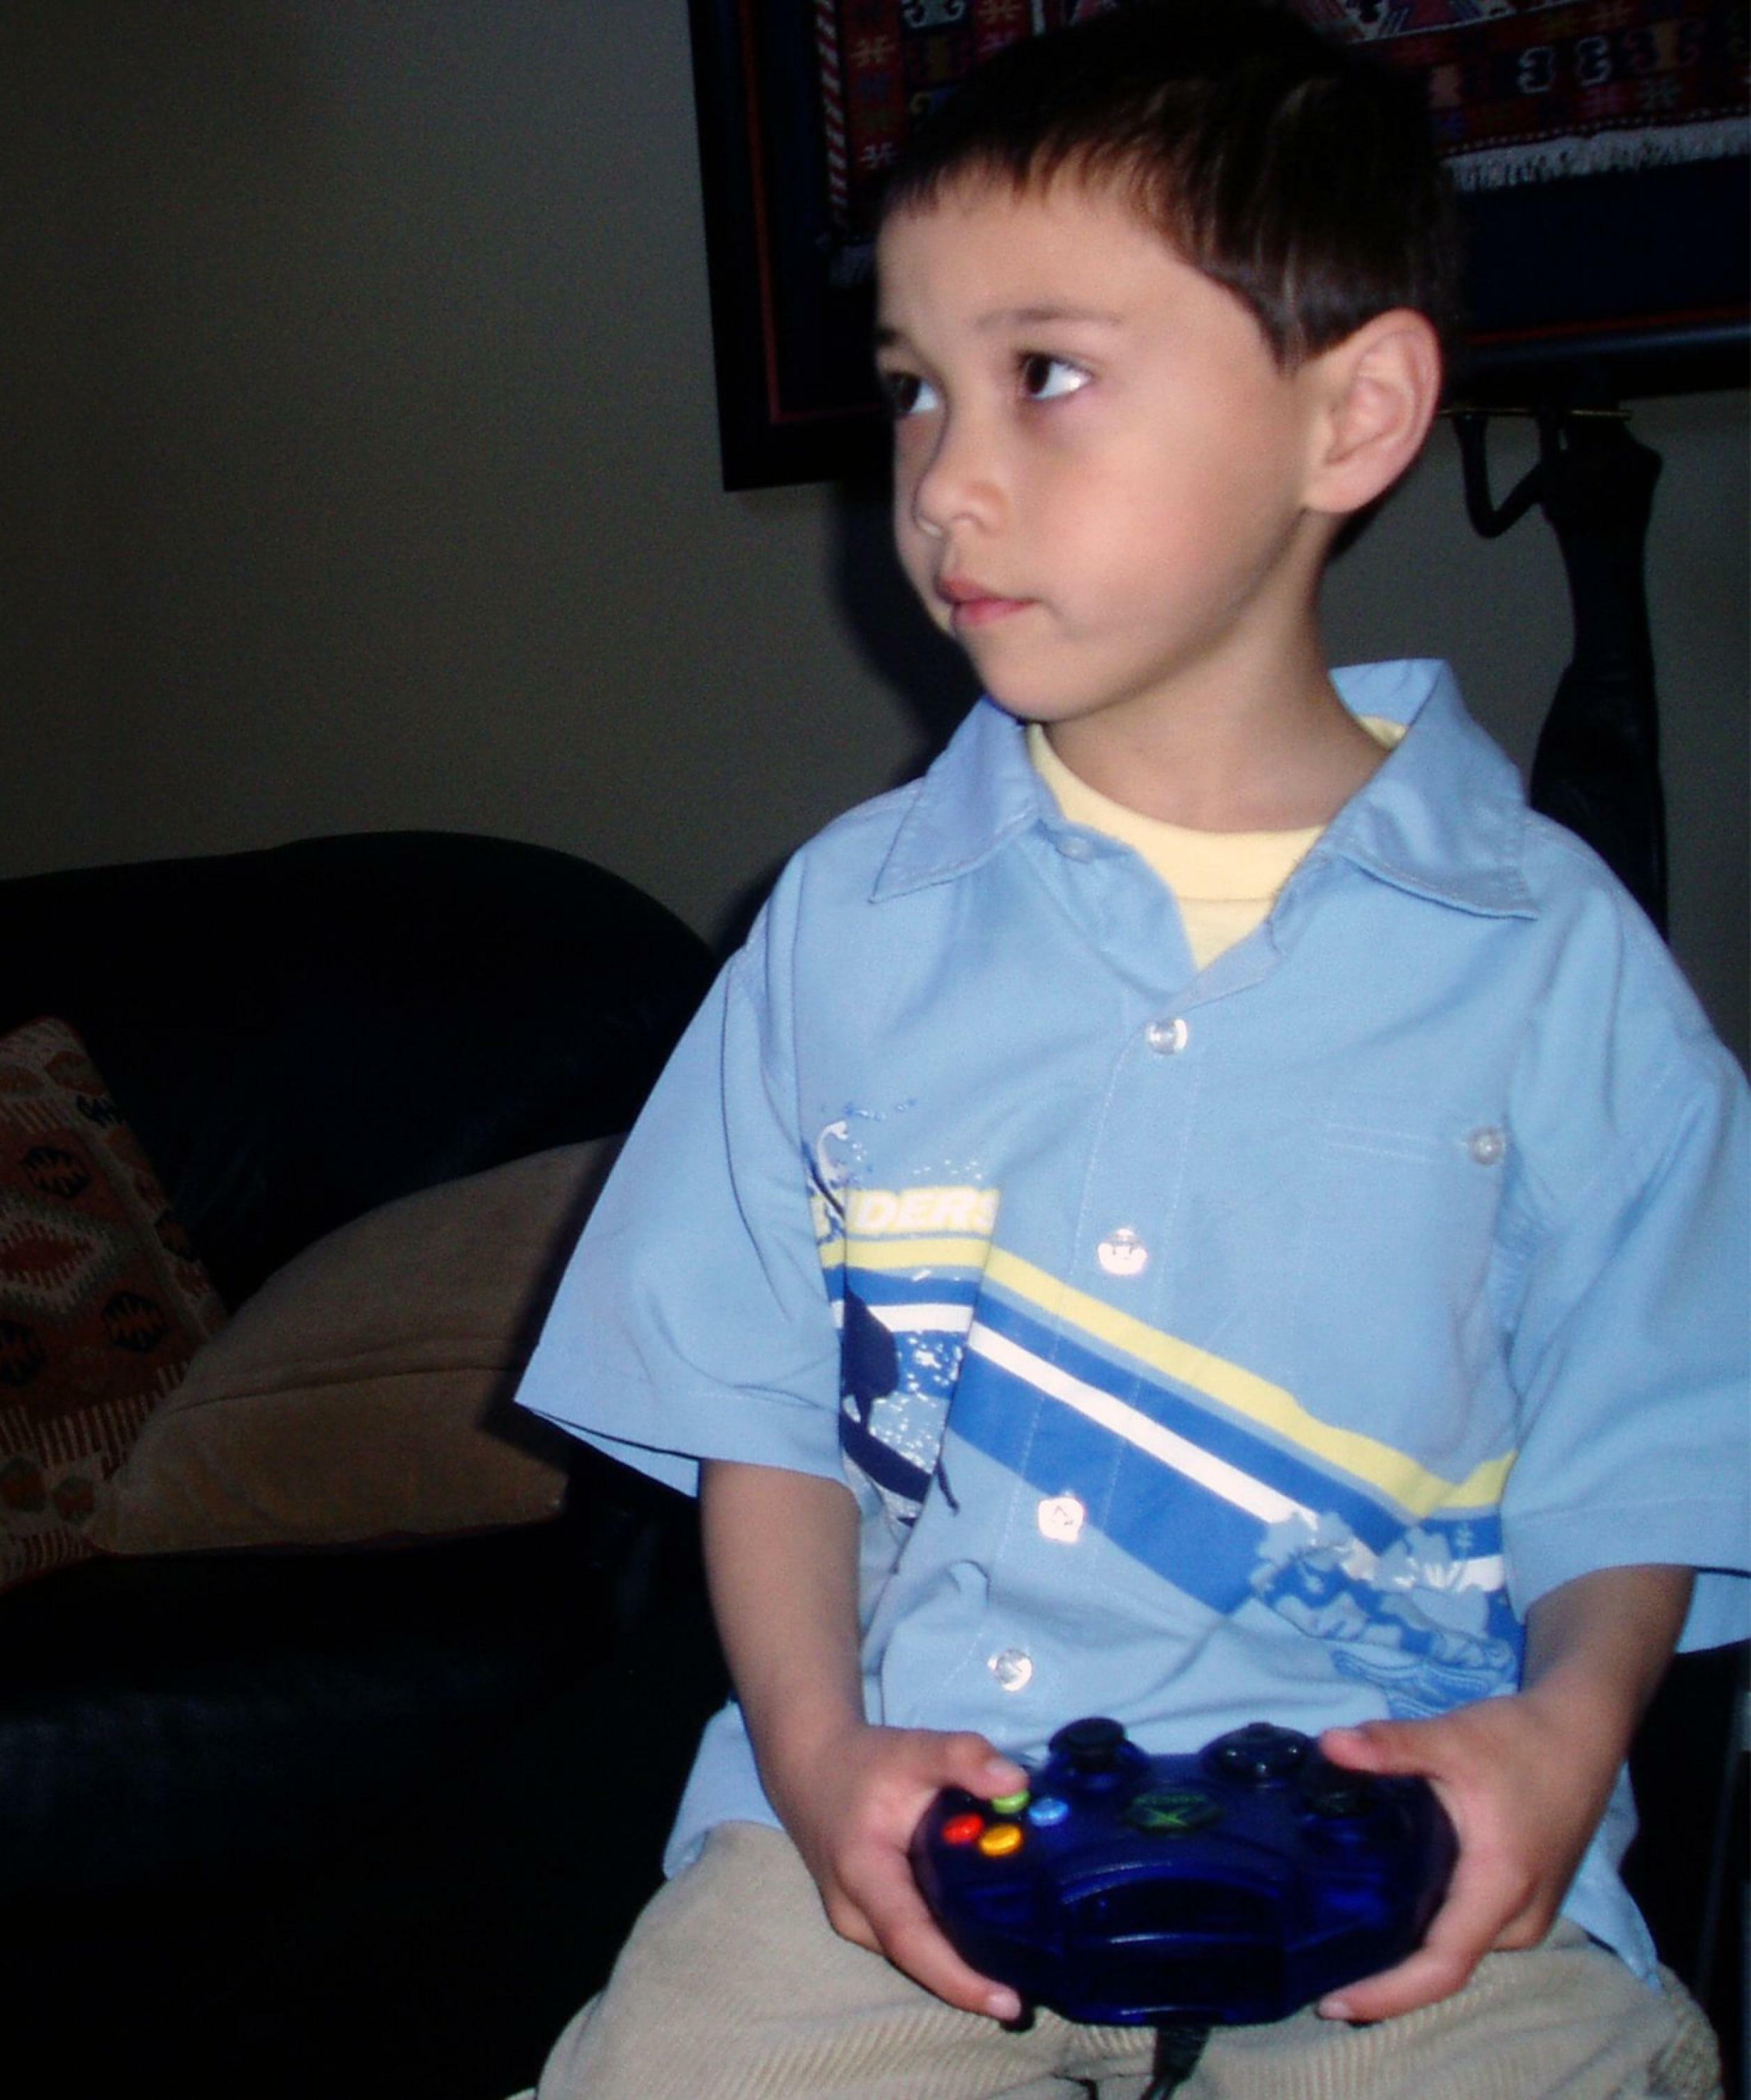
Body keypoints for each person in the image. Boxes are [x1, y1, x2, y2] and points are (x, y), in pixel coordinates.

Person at [512, 5, 1748, 2094]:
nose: (942, 479)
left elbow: (1656, 1430)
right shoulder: (842, 930)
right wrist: (813, 1760)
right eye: (915, 388)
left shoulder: (1557, 966)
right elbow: (754, 1407)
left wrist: (1564, 1741)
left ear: (1352, 418)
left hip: (1419, 1842)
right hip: (909, 1820)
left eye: (1047, 375)